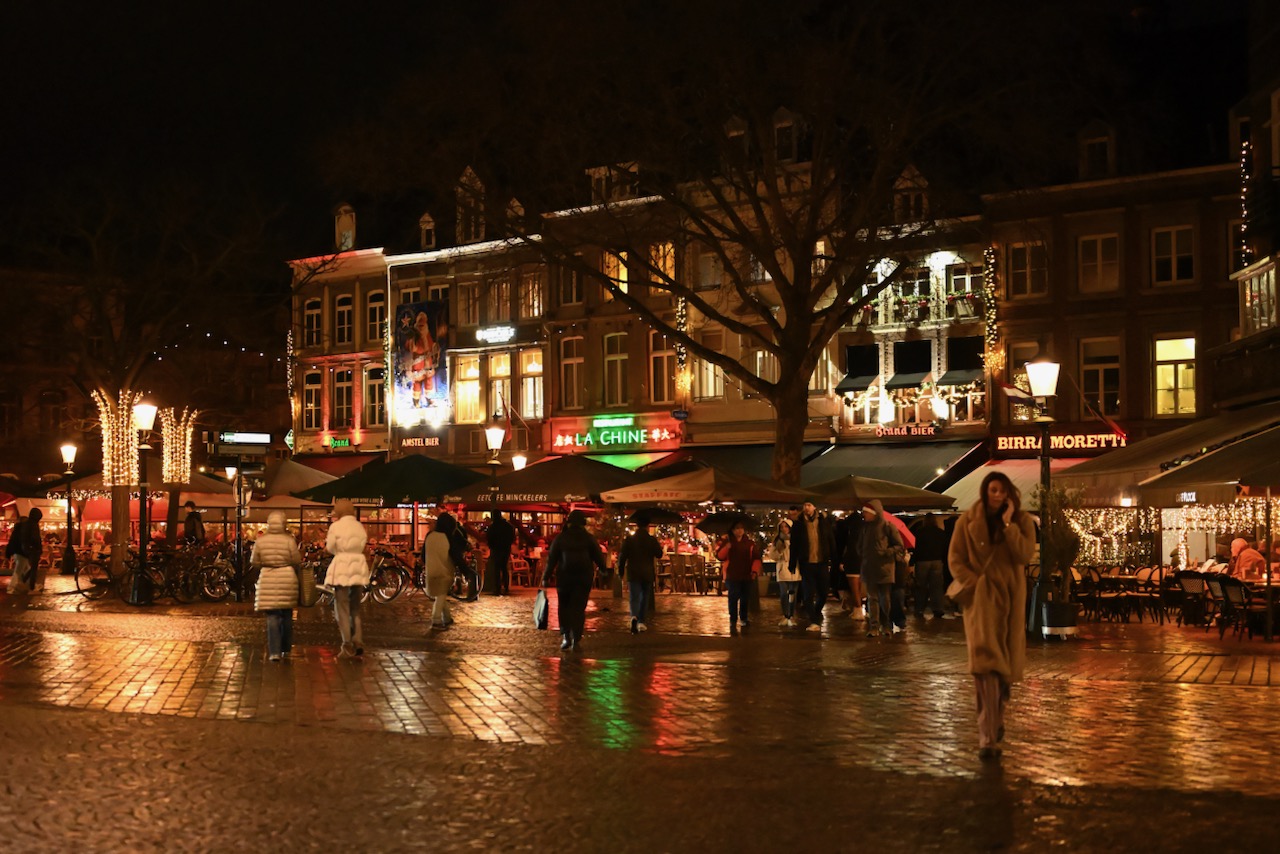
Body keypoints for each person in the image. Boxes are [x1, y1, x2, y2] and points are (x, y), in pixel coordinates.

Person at [948, 471, 1036, 760]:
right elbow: (955, 558)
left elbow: (1024, 555)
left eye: (1002, 491)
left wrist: (1009, 523)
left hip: (1010, 603)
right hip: (982, 603)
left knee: (1002, 672)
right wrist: (975, 584)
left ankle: (997, 719)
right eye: (992, 490)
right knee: (985, 668)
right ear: (985, 491)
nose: (997, 495)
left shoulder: (1022, 522)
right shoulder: (967, 522)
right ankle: (986, 737)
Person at [540, 509, 604, 652]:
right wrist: (604, 570)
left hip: (564, 577)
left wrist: (546, 577)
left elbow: (552, 560)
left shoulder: (561, 538)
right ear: (583, 523)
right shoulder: (589, 538)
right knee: (579, 608)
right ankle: (576, 637)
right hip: (583, 578)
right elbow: (598, 557)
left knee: (564, 607)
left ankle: (566, 636)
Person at [251, 510, 302, 662]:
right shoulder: (289, 540)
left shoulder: (261, 541)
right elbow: (296, 560)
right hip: (287, 577)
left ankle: (274, 652)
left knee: (272, 616)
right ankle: (286, 648)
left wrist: (265, 565)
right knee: (286, 615)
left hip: (267, 577)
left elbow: (254, 561)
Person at [325, 499, 370, 659]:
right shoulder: (359, 526)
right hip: (358, 567)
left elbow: (330, 547)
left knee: (342, 608)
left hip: (342, 567)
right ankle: (358, 640)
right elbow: (363, 544)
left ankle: (347, 644)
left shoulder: (335, 527)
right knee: (355, 608)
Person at [856, 500, 902, 637]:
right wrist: (863, 554)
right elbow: (859, 545)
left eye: (866, 512)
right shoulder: (865, 528)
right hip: (869, 568)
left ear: (874, 513)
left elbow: (899, 545)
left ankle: (886, 624)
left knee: (885, 599)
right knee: (872, 599)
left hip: (884, 568)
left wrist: (887, 552)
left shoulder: (887, 526)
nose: (864, 515)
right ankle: (874, 626)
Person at [789, 501, 836, 632]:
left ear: (815, 507)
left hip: (821, 562)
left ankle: (816, 612)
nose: (806, 508)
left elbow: (830, 539)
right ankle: (814, 620)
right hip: (806, 563)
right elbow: (794, 544)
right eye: (805, 505)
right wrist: (792, 563)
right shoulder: (798, 524)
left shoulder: (823, 522)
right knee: (808, 594)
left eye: (809, 505)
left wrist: (835, 558)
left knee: (824, 592)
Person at [618, 520, 663, 634]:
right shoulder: (651, 540)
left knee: (634, 596)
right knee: (644, 597)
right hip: (647, 572)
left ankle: (634, 616)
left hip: (633, 572)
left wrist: (621, 570)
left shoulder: (629, 540)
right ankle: (641, 622)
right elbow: (659, 554)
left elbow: (622, 556)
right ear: (647, 526)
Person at [717, 520, 761, 632]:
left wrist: (754, 571)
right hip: (732, 575)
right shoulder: (728, 542)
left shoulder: (750, 544)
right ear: (732, 530)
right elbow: (720, 556)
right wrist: (727, 547)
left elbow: (756, 558)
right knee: (733, 597)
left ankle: (744, 618)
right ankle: (733, 619)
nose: (739, 530)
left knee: (745, 598)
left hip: (746, 575)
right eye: (737, 528)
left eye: (741, 528)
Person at [424, 513, 461, 629]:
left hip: (431, 569)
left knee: (441, 595)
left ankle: (447, 617)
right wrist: (464, 569)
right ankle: (436, 620)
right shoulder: (447, 538)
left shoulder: (430, 536)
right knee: (441, 596)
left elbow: (423, 555)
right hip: (444, 570)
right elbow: (455, 556)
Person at [913, 513, 952, 620]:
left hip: (922, 561)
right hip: (937, 561)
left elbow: (916, 548)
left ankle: (920, 609)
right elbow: (944, 549)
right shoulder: (940, 533)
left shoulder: (920, 532)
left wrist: (913, 561)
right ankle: (938, 609)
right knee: (937, 586)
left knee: (921, 586)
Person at [771, 516, 802, 627]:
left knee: (793, 594)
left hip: (794, 569)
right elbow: (772, 555)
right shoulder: (777, 541)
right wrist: (779, 552)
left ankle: (791, 615)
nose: (784, 529)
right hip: (782, 568)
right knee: (784, 593)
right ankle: (785, 614)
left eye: (786, 527)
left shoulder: (796, 540)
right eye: (782, 527)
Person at [5, 509, 42, 594]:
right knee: (20, 570)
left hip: (20, 551)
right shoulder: (27, 527)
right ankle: (13, 587)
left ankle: (24, 585)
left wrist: (9, 552)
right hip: (22, 552)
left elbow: (12, 541)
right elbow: (33, 539)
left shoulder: (19, 529)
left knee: (26, 569)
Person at [486, 509, 517, 595]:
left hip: (496, 549)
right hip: (505, 549)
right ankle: (506, 586)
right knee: (504, 568)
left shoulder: (493, 527)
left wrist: (491, 546)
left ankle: (498, 587)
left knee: (497, 569)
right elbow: (512, 537)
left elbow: (489, 537)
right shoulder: (508, 526)